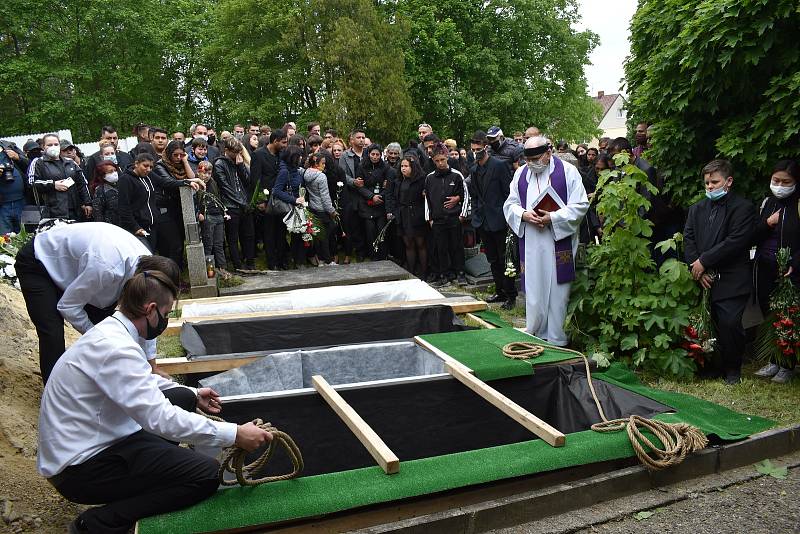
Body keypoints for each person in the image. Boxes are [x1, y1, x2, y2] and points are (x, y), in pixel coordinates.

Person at [39, 269, 272, 533]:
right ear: (150, 309)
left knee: (181, 396)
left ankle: (144, 481)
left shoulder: (113, 333)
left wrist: (194, 394)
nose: (164, 321)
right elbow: (160, 418)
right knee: (206, 474)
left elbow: (142, 382)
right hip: (82, 469)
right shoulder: (117, 348)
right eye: (166, 314)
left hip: (93, 441)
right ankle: (98, 524)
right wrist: (235, 434)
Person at [14, 222, 181, 383]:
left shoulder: (147, 270)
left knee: (113, 328)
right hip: (40, 262)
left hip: (78, 270)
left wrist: (152, 368)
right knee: (52, 332)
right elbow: (68, 306)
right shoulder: (106, 268)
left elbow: (147, 318)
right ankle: (55, 391)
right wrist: (100, 336)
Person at [503, 136, 589, 346]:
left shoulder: (568, 171)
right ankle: (535, 330)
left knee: (558, 288)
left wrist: (553, 217)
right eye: (528, 159)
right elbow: (510, 203)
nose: (532, 164)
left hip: (558, 240)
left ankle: (556, 337)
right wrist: (523, 214)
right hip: (532, 241)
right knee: (534, 286)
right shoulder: (521, 174)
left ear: (549, 153)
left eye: (536, 159)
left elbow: (580, 205)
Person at [684, 159, 756, 384]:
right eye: (706, 183)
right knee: (709, 323)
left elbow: (735, 242)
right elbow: (689, 237)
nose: (710, 187)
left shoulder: (743, 208)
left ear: (729, 181)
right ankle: (714, 365)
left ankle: (733, 368)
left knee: (729, 323)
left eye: (715, 182)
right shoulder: (697, 208)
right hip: (703, 276)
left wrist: (703, 261)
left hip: (733, 277)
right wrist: (697, 265)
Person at [752, 159, 800, 383]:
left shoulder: (797, 205)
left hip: (790, 271)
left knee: (788, 316)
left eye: (786, 181)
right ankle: (772, 359)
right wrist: (767, 223)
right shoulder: (768, 203)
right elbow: (754, 234)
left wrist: (795, 262)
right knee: (769, 313)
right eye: (776, 180)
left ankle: (787, 364)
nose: (780, 185)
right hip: (765, 266)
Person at [469, 131, 516, 309]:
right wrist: (476, 214)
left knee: (506, 259)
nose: (475, 152)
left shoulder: (500, 166)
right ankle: (500, 291)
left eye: (478, 149)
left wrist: (507, 217)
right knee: (492, 260)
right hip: (483, 221)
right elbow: (475, 195)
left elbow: (509, 194)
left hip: (500, 220)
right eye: (473, 149)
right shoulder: (474, 169)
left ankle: (511, 295)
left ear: (486, 147)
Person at [425, 142, 469, 286]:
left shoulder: (457, 175)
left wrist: (462, 215)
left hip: (454, 217)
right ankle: (444, 275)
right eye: (437, 161)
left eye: (442, 160)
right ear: (433, 161)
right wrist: (429, 218)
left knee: (456, 247)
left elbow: (466, 195)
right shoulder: (430, 178)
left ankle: (460, 273)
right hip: (437, 219)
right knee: (440, 248)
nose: (440, 163)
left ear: (447, 158)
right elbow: (427, 199)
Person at [151, 141, 197, 267]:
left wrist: (186, 162)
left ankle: (177, 271)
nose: (178, 158)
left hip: (178, 207)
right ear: (169, 154)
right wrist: (186, 182)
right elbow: (168, 182)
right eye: (175, 155)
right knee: (172, 244)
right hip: (164, 208)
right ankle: (170, 273)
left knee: (180, 243)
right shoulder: (160, 166)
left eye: (181, 155)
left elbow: (192, 176)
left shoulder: (182, 164)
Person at [214, 138, 255, 272]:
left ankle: (250, 262)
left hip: (244, 203)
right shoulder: (220, 163)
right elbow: (225, 187)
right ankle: (238, 265)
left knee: (248, 235)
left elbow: (248, 181)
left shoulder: (239, 161)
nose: (237, 154)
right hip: (230, 206)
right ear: (226, 150)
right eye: (234, 152)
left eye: (239, 151)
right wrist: (242, 203)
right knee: (233, 237)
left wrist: (241, 166)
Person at [251, 129, 289, 269]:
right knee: (269, 233)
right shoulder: (258, 155)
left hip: (281, 199)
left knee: (281, 231)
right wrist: (260, 200)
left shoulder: (282, 154)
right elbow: (255, 179)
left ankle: (282, 261)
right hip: (266, 201)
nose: (285, 145)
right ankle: (272, 263)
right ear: (275, 141)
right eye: (283, 142)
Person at [31, 134, 91, 220]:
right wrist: (53, 184)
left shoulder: (70, 162)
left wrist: (88, 203)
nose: (53, 147)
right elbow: (32, 183)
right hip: (54, 212)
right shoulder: (38, 162)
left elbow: (82, 184)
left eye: (56, 144)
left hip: (75, 211)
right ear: (43, 147)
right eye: (49, 145)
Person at [355, 143, 393, 261]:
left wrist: (379, 196)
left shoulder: (386, 167)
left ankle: (383, 255)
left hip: (381, 204)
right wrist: (371, 196)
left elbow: (388, 186)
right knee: (370, 231)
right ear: (369, 154)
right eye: (373, 154)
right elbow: (360, 186)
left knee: (381, 230)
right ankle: (373, 256)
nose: (375, 157)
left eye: (377, 154)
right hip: (367, 204)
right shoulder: (362, 166)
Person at [274, 146, 309, 269]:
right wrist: (294, 200)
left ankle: (298, 260)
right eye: (299, 156)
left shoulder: (296, 170)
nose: (301, 158)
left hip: (297, 207)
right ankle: (284, 261)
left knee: (298, 234)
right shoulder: (284, 171)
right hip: (287, 209)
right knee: (283, 236)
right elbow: (276, 191)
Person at [195, 161, 231, 279]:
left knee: (219, 244)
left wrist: (223, 212)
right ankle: (209, 271)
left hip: (218, 216)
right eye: (204, 173)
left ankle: (222, 269)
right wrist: (198, 213)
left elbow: (218, 198)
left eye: (209, 173)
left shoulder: (213, 183)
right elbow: (194, 201)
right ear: (198, 172)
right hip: (207, 217)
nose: (206, 175)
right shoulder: (196, 184)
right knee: (208, 245)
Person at [395, 155, 428, 278]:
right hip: (403, 215)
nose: (403, 168)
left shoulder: (421, 179)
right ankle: (411, 272)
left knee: (420, 244)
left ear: (413, 167)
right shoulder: (398, 180)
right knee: (408, 244)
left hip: (417, 215)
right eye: (402, 166)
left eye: (406, 166)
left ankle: (424, 273)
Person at [303, 152, 337, 265]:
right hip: (322, 209)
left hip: (313, 207)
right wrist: (331, 210)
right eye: (322, 163)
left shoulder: (306, 173)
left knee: (318, 235)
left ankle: (320, 259)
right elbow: (325, 196)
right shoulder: (321, 176)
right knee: (326, 235)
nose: (324, 166)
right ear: (316, 164)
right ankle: (327, 260)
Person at [340, 129, 367, 258]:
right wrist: (353, 182)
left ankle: (368, 250)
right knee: (354, 224)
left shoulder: (368, 154)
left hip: (367, 193)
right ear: (352, 140)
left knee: (366, 223)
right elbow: (342, 174)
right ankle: (359, 251)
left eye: (363, 137)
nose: (361, 139)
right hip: (352, 194)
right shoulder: (345, 156)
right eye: (358, 137)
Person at [0, 140, 30, 234]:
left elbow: (30, 165)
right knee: (4, 241)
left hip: (22, 201)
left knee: (26, 236)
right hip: (2, 206)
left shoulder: (9, 145)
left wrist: (18, 157)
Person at [91, 161, 122, 227]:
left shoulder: (122, 184)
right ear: (102, 175)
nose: (114, 173)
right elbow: (98, 213)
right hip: (110, 226)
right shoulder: (100, 190)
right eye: (110, 172)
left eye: (115, 170)